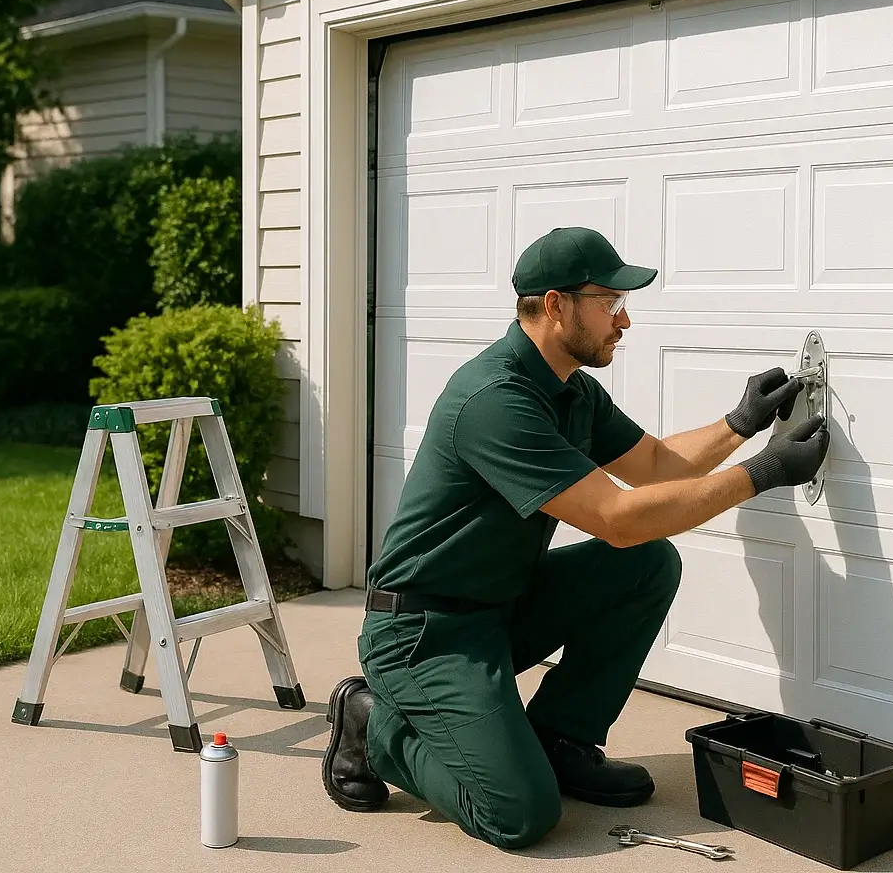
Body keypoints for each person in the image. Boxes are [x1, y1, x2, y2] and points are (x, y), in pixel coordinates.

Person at [320, 227, 829, 850]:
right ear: (556, 305)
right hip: (426, 633)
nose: (625, 321)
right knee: (518, 814)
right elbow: (618, 517)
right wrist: (763, 473)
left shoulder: (571, 390)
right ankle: (374, 725)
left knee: (647, 564)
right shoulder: (494, 400)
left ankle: (561, 738)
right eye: (610, 303)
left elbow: (656, 467)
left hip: (501, 609)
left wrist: (740, 423)